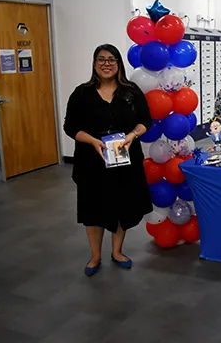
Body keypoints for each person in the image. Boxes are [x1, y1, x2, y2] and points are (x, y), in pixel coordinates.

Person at [63, 44, 153, 277]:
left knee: (122, 205)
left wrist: (132, 136)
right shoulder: (82, 93)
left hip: (125, 158)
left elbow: (145, 121)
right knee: (93, 209)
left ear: (119, 64)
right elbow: (70, 127)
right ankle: (95, 256)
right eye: (101, 59)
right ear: (94, 64)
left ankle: (117, 252)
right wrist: (92, 141)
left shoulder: (131, 92)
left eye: (112, 60)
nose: (106, 64)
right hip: (91, 161)